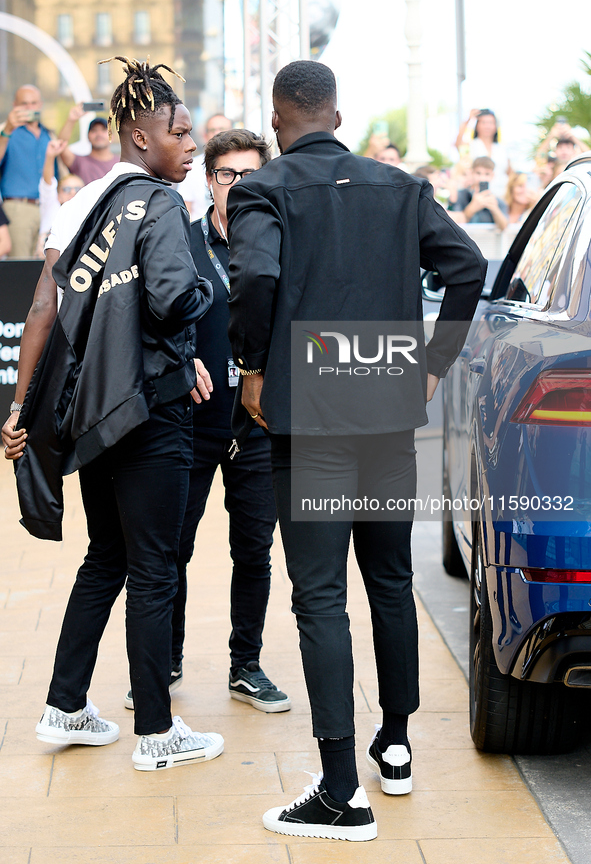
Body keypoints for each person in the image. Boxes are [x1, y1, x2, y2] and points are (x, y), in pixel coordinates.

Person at [226, 60, 486, 841]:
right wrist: (432, 364)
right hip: (384, 410)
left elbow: (256, 276)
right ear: (337, 112)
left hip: (308, 419)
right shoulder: (398, 187)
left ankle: (341, 789)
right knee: (390, 580)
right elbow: (466, 267)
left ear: (278, 118)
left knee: (319, 597)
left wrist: (253, 366)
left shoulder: (262, 189)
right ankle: (395, 745)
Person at [1, 56, 222, 772]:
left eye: (192, 135)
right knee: (154, 567)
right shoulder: (160, 202)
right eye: (178, 133)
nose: (190, 147)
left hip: (91, 415)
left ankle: (65, 705)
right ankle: (157, 732)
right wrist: (201, 306)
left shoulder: (82, 204)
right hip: (150, 412)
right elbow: (166, 298)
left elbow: (44, 307)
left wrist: (19, 407)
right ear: (138, 137)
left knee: (107, 557)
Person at [122, 128, 290, 715]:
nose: (238, 187)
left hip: (258, 428)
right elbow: (145, 317)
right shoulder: (179, 242)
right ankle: (165, 660)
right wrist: (180, 355)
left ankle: (246, 664)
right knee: (172, 550)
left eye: (251, 176)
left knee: (255, 551)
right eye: (226, 175)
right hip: (188, 423)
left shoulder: (279, 247)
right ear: (208, 180)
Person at [0, 85, 56, 257]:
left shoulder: (48, 134)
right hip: (18, 209)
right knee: (21, 268)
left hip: (46, 208)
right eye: (24, 103)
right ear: (14, 104)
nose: (29, 108)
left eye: (33, 103)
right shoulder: (6, 130)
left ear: (40, 104)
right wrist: (7, 130)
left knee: (43, 270)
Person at [177, 113, 232, 220]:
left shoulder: (241, 165)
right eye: (212, 130)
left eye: (222, 129)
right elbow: (185, 208)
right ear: (205, 136)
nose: (217, 133)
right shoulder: (191, 167)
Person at [35, 138, 84, 257]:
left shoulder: (88, 215)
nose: (72, 192)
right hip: (45, 265)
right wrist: (50, 156)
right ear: (58, 195)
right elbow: (48, 183)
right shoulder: (52, 206)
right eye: (66, 189)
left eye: (78, 189)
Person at [455, 107, 510, 198]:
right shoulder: (471, 145)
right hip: (477, 196)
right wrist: (468, 120)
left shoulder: (501, 148)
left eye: (491, 123)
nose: (487, 126)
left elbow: (508, 171)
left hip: (501, 195)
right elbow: (458, 144)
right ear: (477, 125)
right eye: (483, 122)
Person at [58, 106, 120, 184]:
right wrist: (71, 119)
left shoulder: (121, 164)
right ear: (87, 136)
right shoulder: (79, 162)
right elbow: (61, 145)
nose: (99, 134)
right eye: (94, 130)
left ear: (112, 136)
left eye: (103, 130)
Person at [449, 157, 508, 229]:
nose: (482, 178)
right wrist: (472, 207)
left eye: (487, 174)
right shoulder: (460, 195)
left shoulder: (498, 201)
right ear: (472, 173)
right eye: (478, 173)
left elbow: (504, 227)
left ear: (492, 175)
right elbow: (452, 223)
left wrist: (495, 209)